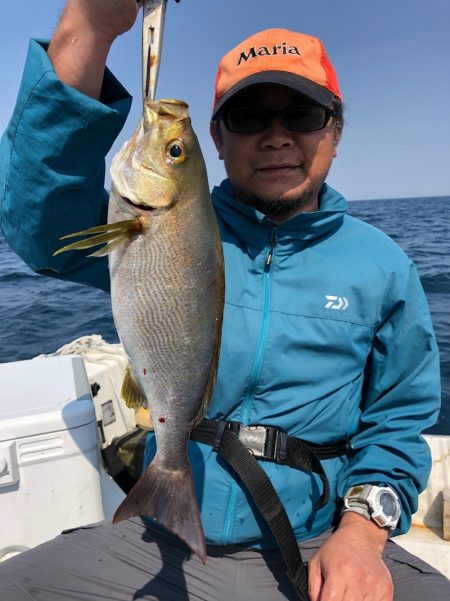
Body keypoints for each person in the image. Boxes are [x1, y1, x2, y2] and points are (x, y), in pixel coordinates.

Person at [0, 1, 448, 600]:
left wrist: (362, 537)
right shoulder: (170, 225)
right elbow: (42, 227)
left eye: (303, 113)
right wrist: (88, 27)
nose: (277, 135)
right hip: (160, 535)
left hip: (318, 540)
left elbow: (397, 421)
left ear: (335, 131)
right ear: (216, 136)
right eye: (249, 117)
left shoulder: (385, 267)